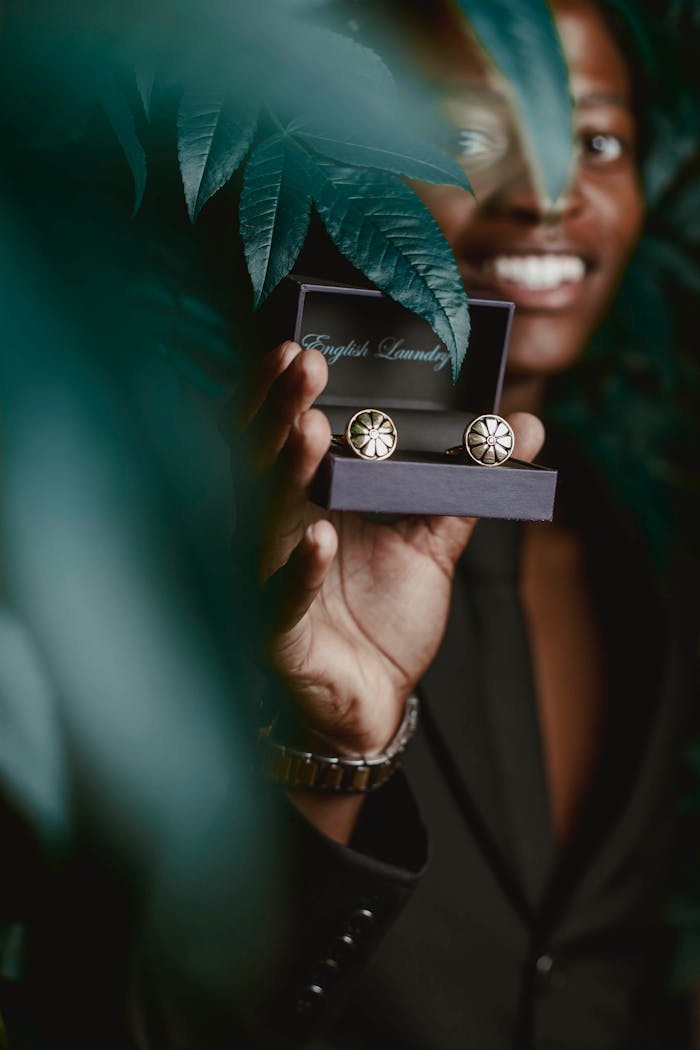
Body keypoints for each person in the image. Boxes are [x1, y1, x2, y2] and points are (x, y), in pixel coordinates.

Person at [242, 1, 699, 1047]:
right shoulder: (233, 530)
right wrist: (329, 748)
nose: (545, 194)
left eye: (594, 139)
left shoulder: (659, 552)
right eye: (462, 136)